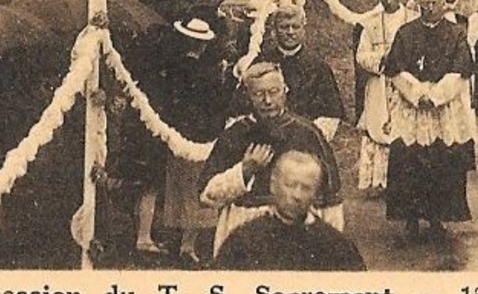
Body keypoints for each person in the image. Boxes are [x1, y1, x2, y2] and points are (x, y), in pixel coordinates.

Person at [200, 62, 344, 254]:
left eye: (274, 91)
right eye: (259, 94)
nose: (267, 100)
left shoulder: (308, 133)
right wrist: (244, 170)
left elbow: (331, 201)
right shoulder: (234, 135)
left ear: (285, 92)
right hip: (243, 232)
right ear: (248, 96)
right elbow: (206, 197)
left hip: (299, 234)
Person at [381, 0, 477, 241]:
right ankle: (411, 219)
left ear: (444, 3)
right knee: (410, 163)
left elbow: (461, 71)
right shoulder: (406, 33)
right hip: (412, 109)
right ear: (418, 3)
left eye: (435, 3)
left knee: (441, 163)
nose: (430, 9)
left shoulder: (456, 33)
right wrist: (416, 94)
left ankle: (436, 218)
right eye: (425, 4)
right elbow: (396, 69)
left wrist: (435, 96)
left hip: (442, 109)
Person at [145, 17, 232, 264]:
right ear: (202, 45)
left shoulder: (172, 69)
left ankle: (177, 240)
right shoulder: (208, 73)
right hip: (199, 135)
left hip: (177, 133)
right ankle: (188, 245)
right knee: (195, 185)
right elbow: (218, 103)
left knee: (177, 185)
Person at [212, 150, 365, 271]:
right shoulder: (243, 241)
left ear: (316, 193)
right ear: (273, 185)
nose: (297, 195)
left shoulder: (337, 246)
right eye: (290, 185)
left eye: (306, 188)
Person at [237, 4, 344, 141]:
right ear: (274, 31)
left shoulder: (318, 67)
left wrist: (307, 138)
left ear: (303, 30)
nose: (290, 32)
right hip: (265, 139)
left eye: (295, 26)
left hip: (304, 140)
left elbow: (330, 115)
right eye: (284, 27)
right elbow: (241, 106)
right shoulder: (261, 62)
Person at [353, 0, 413, 191]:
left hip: (406, 82)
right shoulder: (371, 24)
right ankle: (378, 181)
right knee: (377, 127)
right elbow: (361, 55)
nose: (388, 1)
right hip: (379, 83)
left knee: (405, 127)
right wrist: (382, 58)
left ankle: (404, 181)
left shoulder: (412, 19)